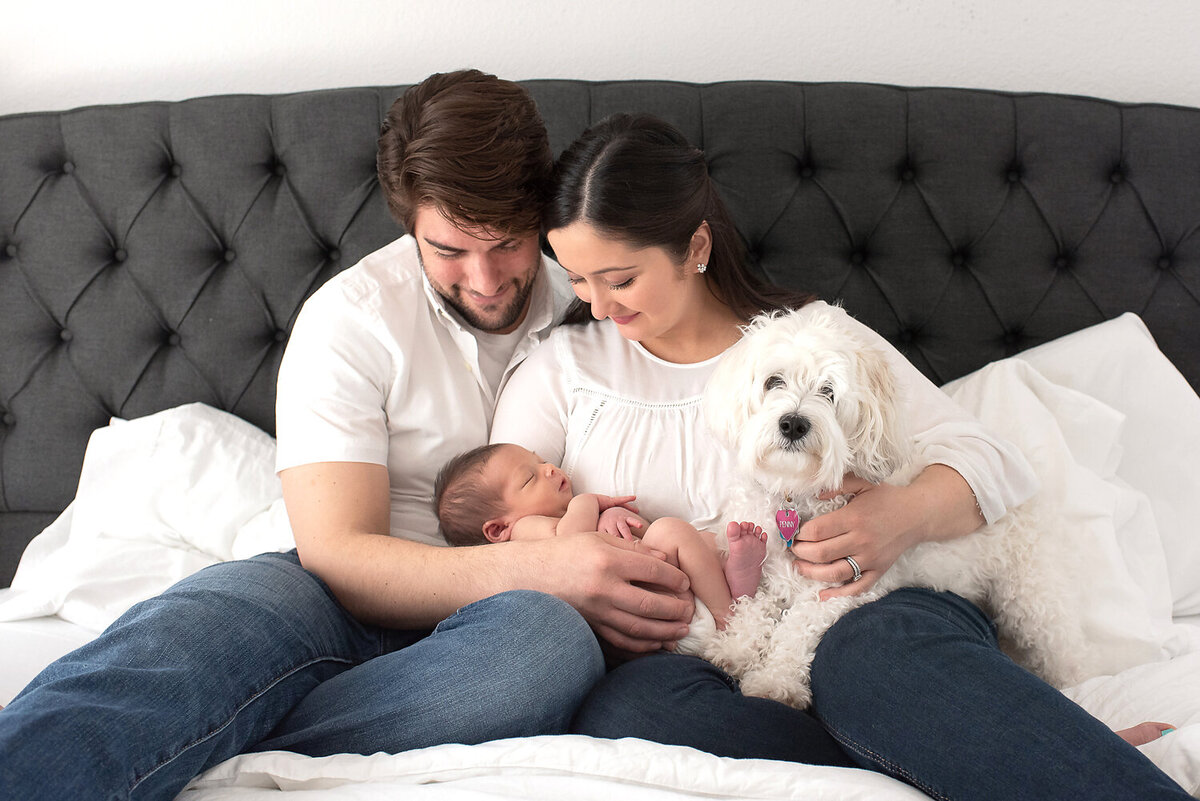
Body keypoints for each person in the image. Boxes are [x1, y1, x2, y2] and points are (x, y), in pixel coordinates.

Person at [0, 71, 695, 801]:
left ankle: (243, 736)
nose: (486, 279)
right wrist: (546, 570)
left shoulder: (598, 305)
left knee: (547, 650)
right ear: (408, 225)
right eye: (450, 250)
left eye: (509, 243)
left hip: (505, 621)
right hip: (333, 589)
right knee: (186, 639)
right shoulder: (353, 319)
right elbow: (340, 552)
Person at [489, 112, 1188, 798]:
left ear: (694, 244)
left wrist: (902, 516)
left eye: (620, 278)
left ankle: (1028, 752)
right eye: (578, 280)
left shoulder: (814, 340)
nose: (599, 307)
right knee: (628, 712)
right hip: (707, 650)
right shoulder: (561, 368)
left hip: (871, 613)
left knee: (863, 657)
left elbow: (993, 459)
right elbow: (494, 515)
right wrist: (572, 559)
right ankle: (1014, 747)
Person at [433, 442, 769, 630]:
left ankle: (738, 584)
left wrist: (612, 517)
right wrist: (588, 502)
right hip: (645, 603)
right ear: (497, 529)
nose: (549, 469)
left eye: (543, 462)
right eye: (528, 479)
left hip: (662, 589)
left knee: (702, 541)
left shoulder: (553, 518)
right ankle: (732, 622)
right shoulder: (522, 532)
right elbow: (569, 545)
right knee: (672, 531)